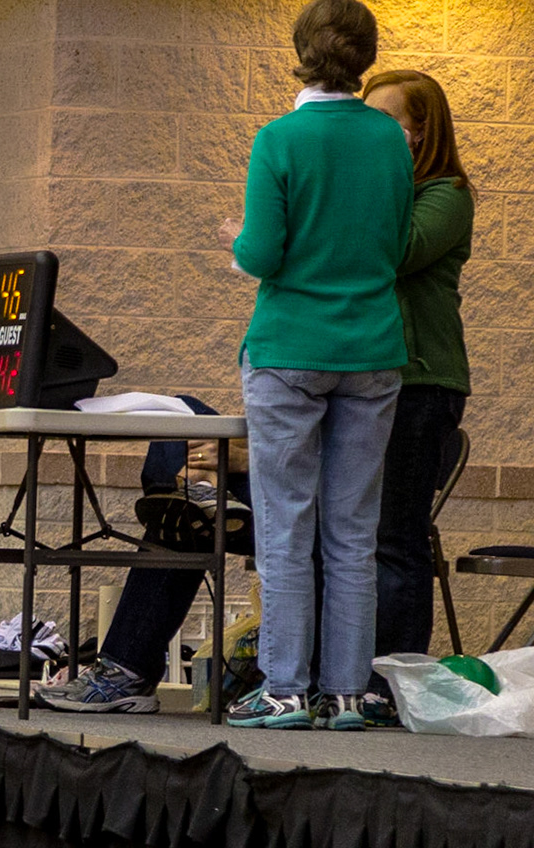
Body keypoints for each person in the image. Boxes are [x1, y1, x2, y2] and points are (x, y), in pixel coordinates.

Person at [219, 0, 413, 731]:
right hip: (372, 348)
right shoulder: (391, 139)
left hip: (290, 349)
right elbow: (396, 244)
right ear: (366, 56)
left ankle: (284, 689)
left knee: (285, 527)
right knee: (354, 533)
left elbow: (263, 253)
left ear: (300, 51)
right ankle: (346, 692)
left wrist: (238, 242)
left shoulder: (278, 139)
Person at [361, 69, 475, 725]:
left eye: (387, 121)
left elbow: (396, 250)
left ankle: (393, 682)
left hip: (423, 382)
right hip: (373, 379)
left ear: (422, 131)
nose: (372, 132)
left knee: (397, 536)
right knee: (364, 537)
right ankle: (354, 675)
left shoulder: (446, 194)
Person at [37, 401, 253, 712]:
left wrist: (247, 457)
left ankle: (127, 673)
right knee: (183, 414)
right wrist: (233, 451)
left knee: (183, 505)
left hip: (310, 510)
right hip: (270, 474)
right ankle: (197, 489)